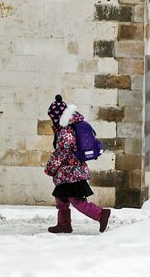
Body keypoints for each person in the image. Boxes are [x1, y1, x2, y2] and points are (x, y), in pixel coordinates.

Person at [44, 94, 110, 234]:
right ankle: (64, 224)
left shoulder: (66, 130)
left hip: (71, 172)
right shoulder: (70, 126)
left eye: (53, 117)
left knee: (76, 200)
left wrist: (50, 167)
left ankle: (100, 214)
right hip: (69, 171)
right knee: (61, 198)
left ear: (57, 116)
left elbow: (62, 152)